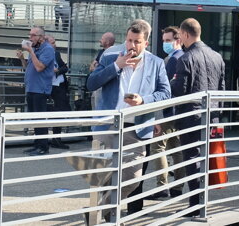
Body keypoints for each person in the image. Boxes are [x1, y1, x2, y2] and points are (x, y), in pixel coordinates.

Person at [86, 20, 171, 218]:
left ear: (146, 43)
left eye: (137, 42)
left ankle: (100, 210)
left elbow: (165, 94)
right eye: (129, 40)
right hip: (107, 126)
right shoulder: (110, 57)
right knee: (102, 178)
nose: (131, 45)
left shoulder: (156, 63)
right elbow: (91, 83)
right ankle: (108, 217)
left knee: (133, 178)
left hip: (137, 128)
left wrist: (144, 100)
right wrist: (117, 65)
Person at [172, 18, 226, 213]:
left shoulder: (185, 59)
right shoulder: (217, 57)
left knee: (192, 159)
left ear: (186, 34)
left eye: (180, 36)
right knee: (206, 158)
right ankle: (201, 200)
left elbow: (179, 91)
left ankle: (195, 204)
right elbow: (221, 90)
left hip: (190, 118)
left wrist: (171, 82)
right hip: (212, 116)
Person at [146, 26, 186, 200]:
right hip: (179, 111)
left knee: (158, 148)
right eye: (163, 40)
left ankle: (162, 186)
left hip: (168, 111)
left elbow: (165, 89)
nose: (165, 43)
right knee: (176, 149)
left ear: (178, 40)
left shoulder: (173, 60)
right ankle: (178, 185)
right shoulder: (183, 57)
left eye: (168, 40)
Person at [16, 27, 56, 156]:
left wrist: (31, 51)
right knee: (33, 118)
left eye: (33, 35)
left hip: (41, 89)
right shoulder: (36, 49)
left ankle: (44, 147)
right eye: (30, 35)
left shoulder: (48, 49)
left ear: (41, 37)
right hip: (31, 88)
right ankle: (37, 144)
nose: (30, 38)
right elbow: (28, 67)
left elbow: (39, 67)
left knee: (40, 119)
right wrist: (22, 58)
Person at [46, 35, 71, 149]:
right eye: (52, 42)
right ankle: (47, 139)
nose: (55, 44)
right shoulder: (43, 55)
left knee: (61, 112)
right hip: (48, 87)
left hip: (60, 86)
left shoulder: (57, 54)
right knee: (50, 112)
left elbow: (65, 68)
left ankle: (57, 139)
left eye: (54, 42)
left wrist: (57, 71)